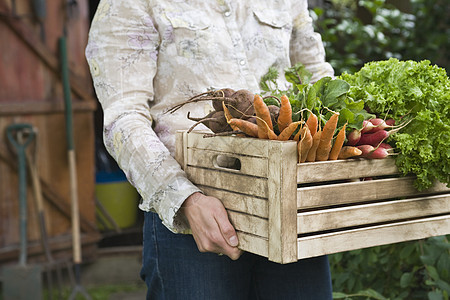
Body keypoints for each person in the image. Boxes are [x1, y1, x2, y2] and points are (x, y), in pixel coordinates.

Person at [86, 1, 334, 299]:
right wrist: (186, 200)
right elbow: (123, 119)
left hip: (291, 205)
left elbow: (317, 78)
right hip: (193, 220)